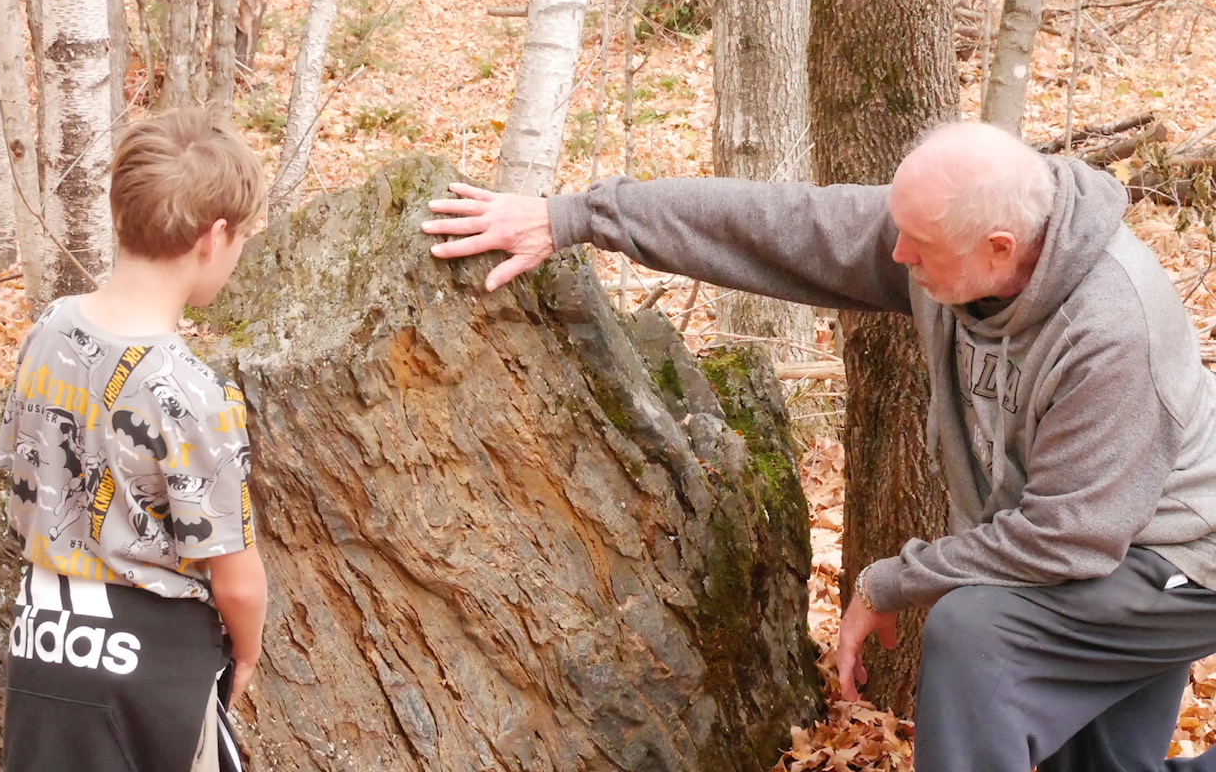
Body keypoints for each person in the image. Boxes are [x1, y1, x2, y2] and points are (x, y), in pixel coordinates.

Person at [422, 121, 1216, 772]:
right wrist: (577, 217)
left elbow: (1069, 537)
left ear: (1000, 249)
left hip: (1176, 555)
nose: (898, 258)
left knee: (981, 636)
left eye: (918, 246)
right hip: (1098, 536)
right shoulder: (950, 234)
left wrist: (888, 580)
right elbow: (778, 223)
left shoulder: (1110, 329)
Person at [0, 109, 269, 772]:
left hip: (43, 646)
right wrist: (248, 651)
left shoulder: (48, 330)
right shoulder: (197, 395)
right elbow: (236, 578)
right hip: (152, 674)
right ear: (215, 236)